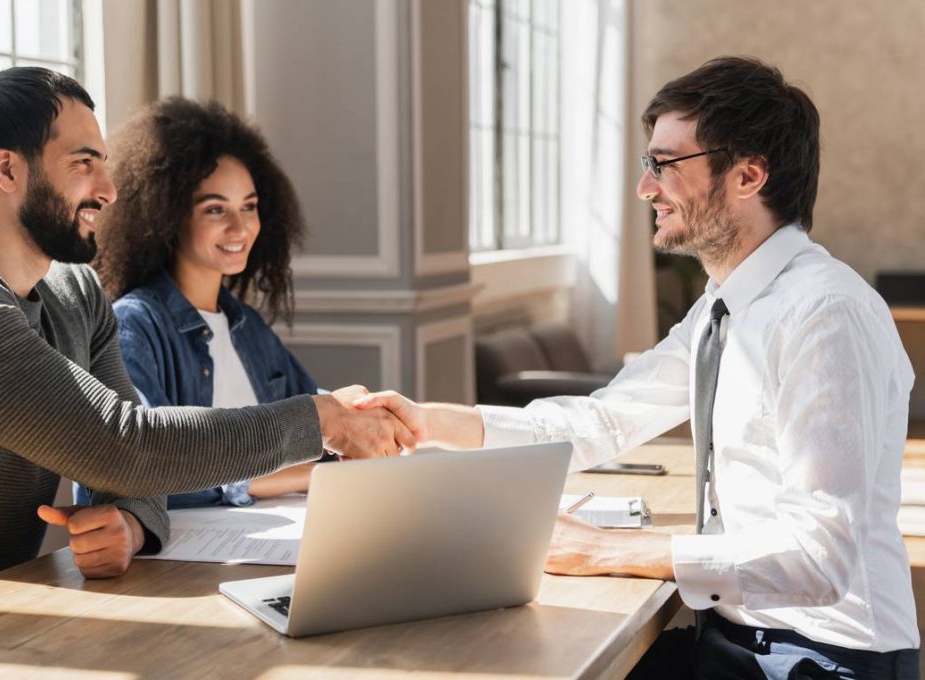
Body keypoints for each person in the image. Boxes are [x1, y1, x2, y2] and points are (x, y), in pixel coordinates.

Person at [355, 57, 919, 678]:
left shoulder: (826, 313)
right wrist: (430, 422)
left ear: (748, 176)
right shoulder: (724, 305)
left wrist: (602, 549)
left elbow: (821, 557)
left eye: (664, 164)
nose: (646, 188)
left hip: (820, 654)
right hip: (740, 637)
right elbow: (605, 419)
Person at [0, 67, 413, 640]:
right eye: (83, 164)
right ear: (7, 170)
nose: (110, 190)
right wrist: (321, 419)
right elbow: (123, 444)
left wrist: (131, 523)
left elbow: (124, 470)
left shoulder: (75, 293)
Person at [79, 97, 321, 509]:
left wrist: (359, 411)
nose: (240, 226)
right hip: (186, 559)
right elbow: (141, 465)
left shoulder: (246, 325)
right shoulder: (133, 326)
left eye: (249, 206)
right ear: (168, 216)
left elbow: (316, 416)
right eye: (215, 209)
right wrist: (263, 479)